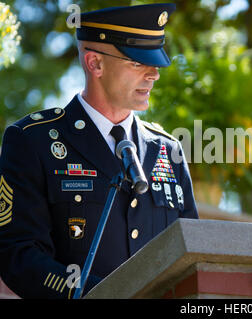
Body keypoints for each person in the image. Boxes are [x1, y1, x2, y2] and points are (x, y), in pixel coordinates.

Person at [0, 3, 198, 299]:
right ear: (95, 64)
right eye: (137, 63)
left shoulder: (168, 151)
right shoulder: (33, 141)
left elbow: (192, 255)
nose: (153, 75)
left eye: (155, 63)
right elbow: (18, 255)